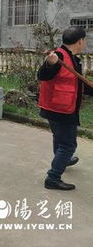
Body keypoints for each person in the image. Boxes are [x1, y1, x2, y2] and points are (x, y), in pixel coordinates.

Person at [38, 27, 93, 191]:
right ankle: (53, 177)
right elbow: (43, 75)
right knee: (68, 145)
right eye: (85, 40)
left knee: (59, 139)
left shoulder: (72, 58)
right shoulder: (59, 56)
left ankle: (63, 159)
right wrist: (49, 64)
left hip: (58, 107)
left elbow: (77, 83)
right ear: (80, 41)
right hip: (61, 108)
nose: (85, 43)